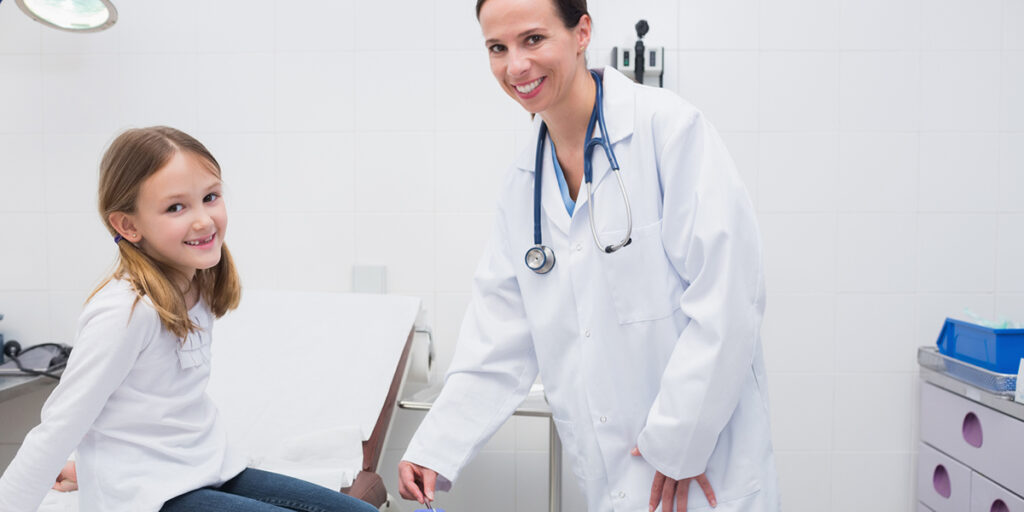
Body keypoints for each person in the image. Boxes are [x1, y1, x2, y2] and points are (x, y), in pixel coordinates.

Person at [397, 0, 780, 511]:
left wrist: (678, 442)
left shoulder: (669, 131)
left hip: (705, 473)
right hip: (614, 480)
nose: (516, 66)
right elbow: (497, 342)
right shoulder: (523, 189)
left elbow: (729, 300)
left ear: (582, 32)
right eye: (498, 48)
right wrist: (435, 447)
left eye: (533, 39)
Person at [0, 127, 378, 512]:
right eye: (176, 207)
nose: (203, 220)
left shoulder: (198, 284)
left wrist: (95, 467)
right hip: (151, 498)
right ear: (128, 226)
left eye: (210, 197)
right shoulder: (127, 311)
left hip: (205, 469)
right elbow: (60, 425)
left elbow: (151, 412)